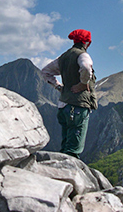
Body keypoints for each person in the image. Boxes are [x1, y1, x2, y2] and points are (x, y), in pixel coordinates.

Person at [41, 29, 98, 159]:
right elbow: (85, 67)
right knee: (73, 150)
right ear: (88, 42)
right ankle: (69, 175)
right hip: (77, 106)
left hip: (63, 106)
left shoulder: (63, 57)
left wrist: (58, 87)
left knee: (66, 144)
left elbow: (45, 72)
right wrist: (83, 84)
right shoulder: (82, 55)